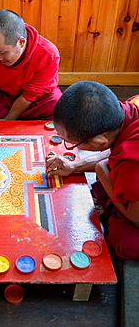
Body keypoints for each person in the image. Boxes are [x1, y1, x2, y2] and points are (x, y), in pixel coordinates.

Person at [46, 81, 139, 261]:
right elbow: (116, 148)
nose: (70, 146)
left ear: (99, 142)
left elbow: (136, 218)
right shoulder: (133, 106)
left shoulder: (132, 167)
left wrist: (102, 172)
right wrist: (73, 166)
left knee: (124, 240)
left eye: (71, 143)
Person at [0, 9, 62, 129]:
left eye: (2, 52)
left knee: (55, 103)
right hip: (0, 94)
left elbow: (30, 95)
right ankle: (25, 119)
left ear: (21, 42)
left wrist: (9, 120)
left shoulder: (48, 53)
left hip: (30, 99)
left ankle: (10, 116)